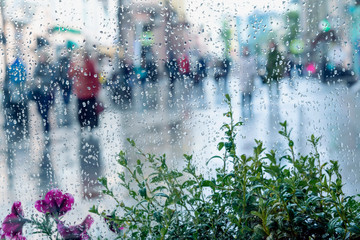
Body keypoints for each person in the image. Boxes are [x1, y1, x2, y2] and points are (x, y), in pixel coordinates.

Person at [68, 50, 101, 131]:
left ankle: (93, 127)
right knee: (81, 111)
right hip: (80, 92)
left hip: (90, 92)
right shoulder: (74, 63)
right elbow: (70, 75)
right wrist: (76, 67)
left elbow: (92, 75)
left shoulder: (89, 63)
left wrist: (96, 89)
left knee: (91, 111)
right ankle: (82, 127)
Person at [32, 47, 56, 139]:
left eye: (42, 56)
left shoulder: (50, 66)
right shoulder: (38, 66)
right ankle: (45, 124)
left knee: (45, 110)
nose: (41, 58)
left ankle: (47, 128)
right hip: (39, 92)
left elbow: (52, 79)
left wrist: (41, 81)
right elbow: (34, 77)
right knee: (39, 110)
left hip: (47, 92)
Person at [238, 46, 257, 118]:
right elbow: (238, 69)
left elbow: (254, 68)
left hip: (250, 78)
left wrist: (253, 76)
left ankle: (250, 104)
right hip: (243, 79)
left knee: (250, 92)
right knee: (243, 92)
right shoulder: (241, 59)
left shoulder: (252, 58)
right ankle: (243, 105)